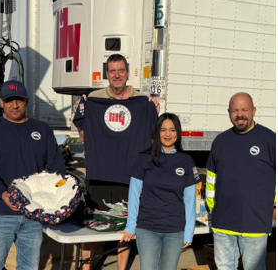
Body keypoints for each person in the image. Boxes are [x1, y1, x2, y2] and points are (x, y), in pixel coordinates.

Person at [74, 54, 159, 270]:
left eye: (121, 70)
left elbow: (151, 137)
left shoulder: (142, 100)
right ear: (107, 74)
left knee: (125, 226)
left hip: (130, 174)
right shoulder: (93, 99)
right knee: (92, 224)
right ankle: (86, 268)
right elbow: (84, 136)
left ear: (128, 72)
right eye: (112, 71)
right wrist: (82, 108)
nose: (117, 75)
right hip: (99, 173)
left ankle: (121, 269)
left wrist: (152, 110)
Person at [0, 80, 66, 270]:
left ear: (27, 101)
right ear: (1, 102)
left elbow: (56, 168)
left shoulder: (42, 130)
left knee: (29, 267)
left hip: (33, 215)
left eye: (19, 99)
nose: (14, 105)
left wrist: (53, 196)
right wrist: (3, 193)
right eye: (9, 100)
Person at [119, 113, 199, 270]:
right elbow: (134, 195)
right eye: (163, 130)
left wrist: (189, 232)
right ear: (157, 132)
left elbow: (190, 200)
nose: (168, 134)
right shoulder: (144, 159)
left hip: (175, 230)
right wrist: (130, 226)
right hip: (147, 228)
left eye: (172, 130)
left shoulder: (186, 161)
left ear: (178, 133)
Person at [206, 92, 276, 270]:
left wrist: (273, 207)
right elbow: (210, 182)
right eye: (235, 110)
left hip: (255, 224)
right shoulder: (220, 141)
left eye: (244, 109)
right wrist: (214, 210)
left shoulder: (270, 140)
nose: (240, 114)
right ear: (229, 112)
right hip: (223, 224)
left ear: (253, 111)